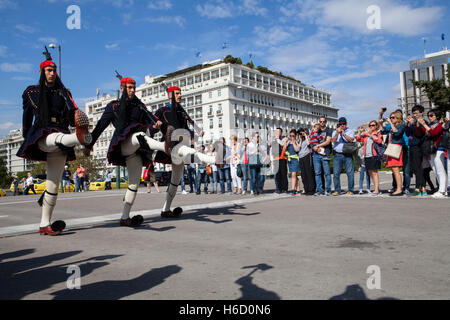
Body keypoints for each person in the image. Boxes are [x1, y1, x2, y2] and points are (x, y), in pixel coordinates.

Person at [16, 49, 91, 235]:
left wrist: (75, 113)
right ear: (42, 72)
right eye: (48, 70)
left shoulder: (64, 92)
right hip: (42, 134)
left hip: (62, 136)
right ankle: (79, 138)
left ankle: (44, 224)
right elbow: (26, 116)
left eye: (54, 70)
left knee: (53, 186)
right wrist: (27, 137)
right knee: (57, 138)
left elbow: (73, 111)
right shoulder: (32, 91)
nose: (52, 73)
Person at [84, 75, 164, 227]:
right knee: (139, 134)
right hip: (123, 143)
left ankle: (125, 217)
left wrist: (154, 126)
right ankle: (163, 146)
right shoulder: (113, 106)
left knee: (134, 183)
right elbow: (100, 126)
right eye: (130, 87)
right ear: (122, 89)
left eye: (134, 87)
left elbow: (148, 125)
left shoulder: (140, 106)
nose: (133, 90)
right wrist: (89, 145)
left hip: (138, 147)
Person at [154, 85, 217, 216]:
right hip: (172, 145)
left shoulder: (181, 111)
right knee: (192, 153)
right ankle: (215, 160)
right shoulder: (162, 111)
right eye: (177, 93)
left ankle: (166, 209)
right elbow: (152, 124)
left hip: (183, 144)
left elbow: (188, 124)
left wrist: (197, 132)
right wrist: (156, 125)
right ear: (170, 95)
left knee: (175, 181)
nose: (180, 95)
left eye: (180, 93)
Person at [417, 109, 447, 198]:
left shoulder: (440, 124)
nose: (429, 117)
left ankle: (442, 190)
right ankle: (441, 189)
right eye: (428, 115)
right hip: (430, 150)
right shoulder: (430, 125)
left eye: (431, 115)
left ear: (437, 116)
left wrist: (425, 125)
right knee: (435, 170)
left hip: (439, 149)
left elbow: (434, 133)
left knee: (440, 170)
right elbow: (420, 132)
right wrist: (419, 123)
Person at [356, 120, 383, 195]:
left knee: (374, 172)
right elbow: (358, 139)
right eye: (370, 125)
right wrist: (359, 131)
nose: (371, 127)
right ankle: (376, 188)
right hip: (367, 156)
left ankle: (377, 189)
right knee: (370, 172)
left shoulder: (378, 133)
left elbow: (379, 141)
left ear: (376, 126)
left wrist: (371, 135)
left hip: (374, 155)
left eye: (373, 125)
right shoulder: (366, 134)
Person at [405, 105, 427, 196]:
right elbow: (407, 133)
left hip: (418, 146)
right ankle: (423, 188)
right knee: (415, 168)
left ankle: (418, 188)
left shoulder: (422, 122)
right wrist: (407, 124)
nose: (415, 115)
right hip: (412, 146)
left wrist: (415, 124)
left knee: (418, 168)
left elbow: (418, 134)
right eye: (413, 113)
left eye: (416, 113)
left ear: (421, 113)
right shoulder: (412, 122)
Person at [383, 111, 405, 196]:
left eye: (393, 117)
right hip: (391, 147)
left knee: (396, 170)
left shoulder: (401, 126)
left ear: (398, 118)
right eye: (391, 117)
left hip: (396, 147)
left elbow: (397, 133)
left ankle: (399, 189)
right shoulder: (394, 126)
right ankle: (398, 188)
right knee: (393, 169)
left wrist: (390, 123)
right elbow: (383, 130)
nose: (391, 119)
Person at [331, 117, 355, 196]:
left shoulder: (350, 131)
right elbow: (333, 141)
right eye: (340, 124)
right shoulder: (335, 132)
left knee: (350, 173)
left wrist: (343, 134)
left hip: (347, 154)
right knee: (336, 173)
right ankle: (337, 190)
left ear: (346, 124)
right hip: (338, 154)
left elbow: (351, 140)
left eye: (343, 124)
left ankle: (350, 190)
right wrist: (337, 133)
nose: (342, 126)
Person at [312, 117, 333, 196]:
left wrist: (317, 145)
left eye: (323, 121)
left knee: (327, 173)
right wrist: (314, 147)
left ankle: (328, 189)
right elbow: (312, 140)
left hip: (325, 154)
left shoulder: (328, 130)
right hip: (316, 154)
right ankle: (319, 190)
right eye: (320, 121)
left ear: (326, 122)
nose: (322, 123)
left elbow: (327, 142)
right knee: (317, 173)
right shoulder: (316, 130)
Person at [297, 128, 316, 195]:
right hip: (301, 157)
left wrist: (305, 136)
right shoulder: (299, 140)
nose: (300, 134)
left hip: (307, 156)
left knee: (309, 173)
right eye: (299, 133)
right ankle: (306, 189)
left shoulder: (308, 138)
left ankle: (311, 189)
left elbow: (309, 144)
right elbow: (297, 149)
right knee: (303, 174)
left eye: (301, 132)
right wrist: (300, 140)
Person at [271, 128, 288, 193]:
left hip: (282, 158)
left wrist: (277, 138)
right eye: (276, 132)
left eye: (278, 132)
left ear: (281, 132)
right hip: (275, 159)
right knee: (277, 175)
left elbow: (282, 144)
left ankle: (284, 189)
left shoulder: (284, 139)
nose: (277, 133)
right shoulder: (274, 140)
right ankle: (278, 188)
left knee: (283, 174)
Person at [285, 129, 301, 195]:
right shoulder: (288, 142)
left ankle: (293, 190)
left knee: (293, 174)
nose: (291, 137)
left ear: (295, 136)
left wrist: (294, 142)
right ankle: (298, 189)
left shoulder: (297, 142)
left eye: (293, 136)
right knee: (295, 176)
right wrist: (286, 142)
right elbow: (284, 149)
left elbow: (296, 150)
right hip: (290, 160)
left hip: (295, 159)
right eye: (290, 136)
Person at [356, 130, 371, 195]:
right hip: (362, 165)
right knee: (361, 177)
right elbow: (358, 158)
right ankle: (360, 189)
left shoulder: (369, 148)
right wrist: (359, 166)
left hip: (368, 164)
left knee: (368, 177)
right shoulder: (360, 149)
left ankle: (368, 189)